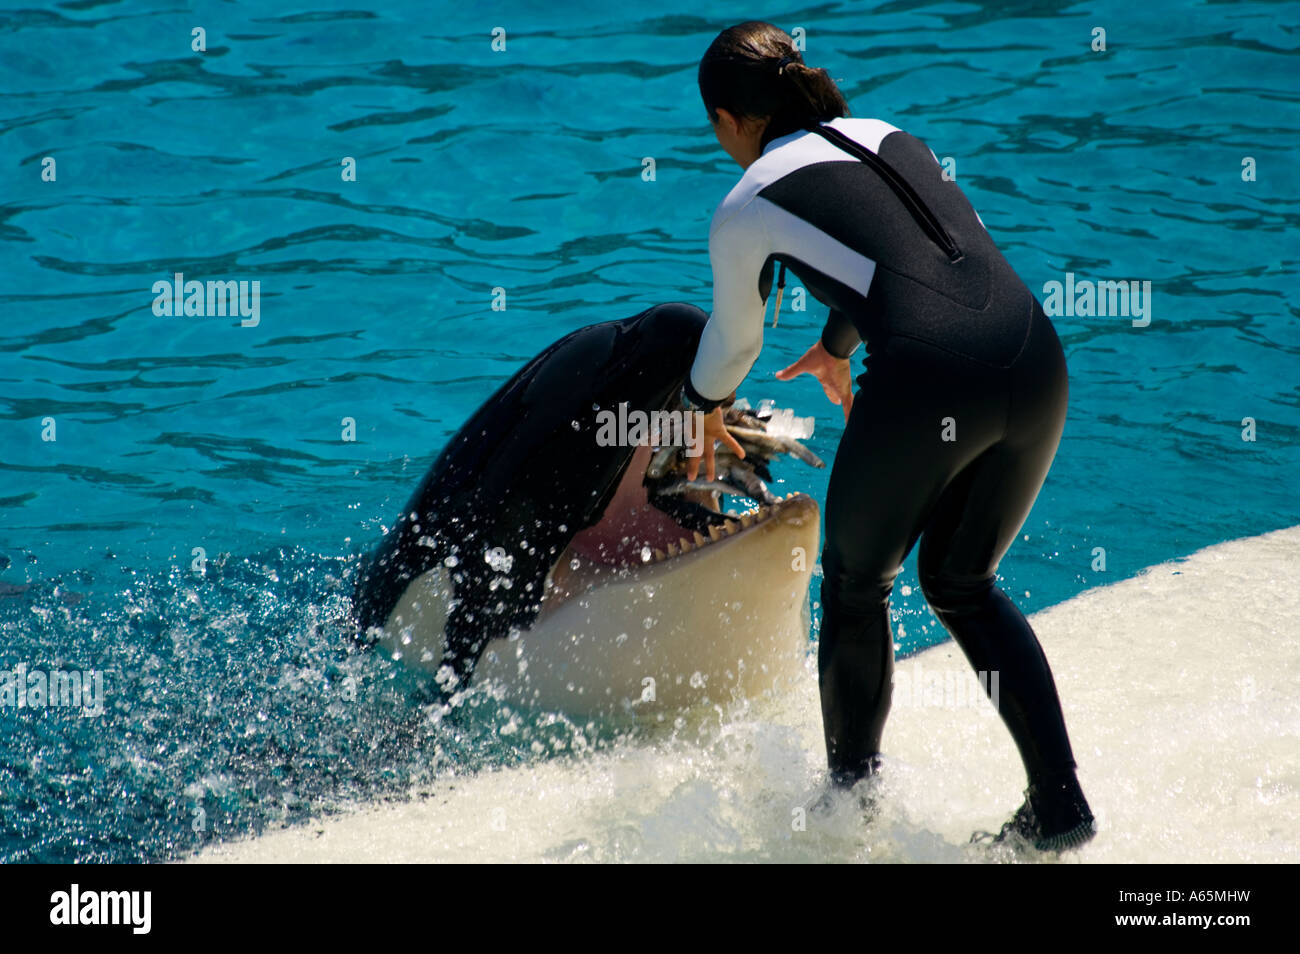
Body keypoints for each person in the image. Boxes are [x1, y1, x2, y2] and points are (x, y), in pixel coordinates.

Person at [678, 21, 1096, 851]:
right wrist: (837, 348)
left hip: (930, 381)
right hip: (1035, 359)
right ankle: (1060, 805)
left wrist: (702, 405)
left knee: (857, 584)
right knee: (961, 579)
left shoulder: (748, 198)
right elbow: (927, 263)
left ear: (728, 120)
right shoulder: (893, 135)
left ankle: (846, 813)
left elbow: (734, 344)